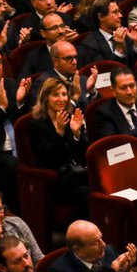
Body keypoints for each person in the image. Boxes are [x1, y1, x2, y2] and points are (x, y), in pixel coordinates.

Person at [26, 76, 89, 212]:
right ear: (46, 98)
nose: (62, 99)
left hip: (76, 174)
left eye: (64, 94)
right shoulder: (36, 125)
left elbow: (83, 156)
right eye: (56, 95)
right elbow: (48, 160)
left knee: (92, 187)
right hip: (55, 180)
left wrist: (77, 134)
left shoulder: (69, 118)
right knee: (87, 189)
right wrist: (59, 132)